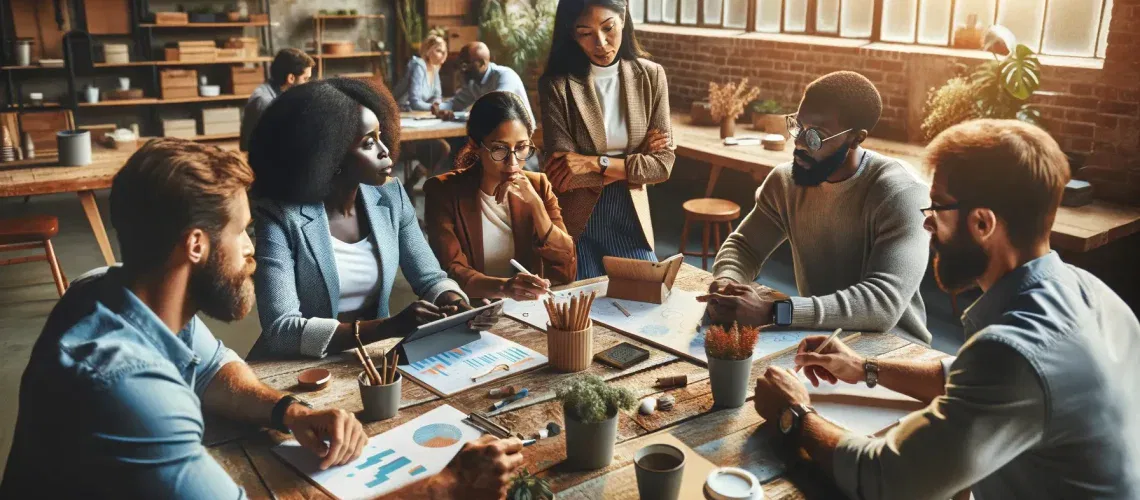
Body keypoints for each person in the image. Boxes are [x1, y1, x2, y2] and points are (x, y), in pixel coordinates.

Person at [754, 119, 1140, 499]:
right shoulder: (1092, 294)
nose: (927, 226)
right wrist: (866, 369)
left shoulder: (1017, 351)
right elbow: (973, 378)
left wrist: (795, 414)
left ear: (982, 222)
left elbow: (885, 479)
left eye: (936, 208)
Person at [0, 139, 367, 496]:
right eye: (240, 232)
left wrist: (292, 414)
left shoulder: (116, 290)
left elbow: (213, 370)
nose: (250, 249)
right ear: (195, 245)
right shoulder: (127, 390)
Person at [246, 78, 494, 360]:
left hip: (373, 358)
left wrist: (457, 304)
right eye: (368, 143)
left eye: (380, 135)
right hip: (298, 365)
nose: (384, 149)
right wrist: (387, 327)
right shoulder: (280, 217)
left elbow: (430, 278)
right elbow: (282, 330)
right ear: (330, 156)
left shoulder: (390, 196)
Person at [702, 71, 931, 344]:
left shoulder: (901, 193)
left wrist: (775, 311)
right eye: (797, 126)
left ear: (856, 139)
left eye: (816, 136)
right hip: (819, 339)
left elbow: (882, 305)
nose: (798, 143)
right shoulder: (785, 181)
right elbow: (744, 247)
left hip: (893, 351)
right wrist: (728, 283)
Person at [539, 0, 673, 279]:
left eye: (608, 28)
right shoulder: (557, 85)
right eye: (585, 33)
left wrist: (591, 162)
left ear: (623, 17)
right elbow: (564, 177)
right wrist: (631, 166)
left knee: (646, 299)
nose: (600, 43)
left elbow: (662, 166)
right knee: (582, 312)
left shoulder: (651, 76)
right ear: (571, 33)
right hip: (576, 223)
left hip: (630, 219)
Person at [424, 91, 576, 301]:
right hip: (473, 312)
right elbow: (450, 272)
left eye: (521, 148)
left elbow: (567, 270)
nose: (513, 163)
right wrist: (505, 288)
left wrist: (536, 205)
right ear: (476, 146)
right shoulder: (443, 192)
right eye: (499, 149)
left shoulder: (538, 186)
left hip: (528, 313)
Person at [393, 35, 453, 195]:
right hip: (401, 118)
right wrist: (435, 108)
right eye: (438, 51)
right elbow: (414, 102)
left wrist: (436, 105)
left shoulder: (434, 68)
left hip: (417, 118)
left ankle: (409, 185)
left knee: (442, 148)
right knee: (440, 148)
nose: (443, 55)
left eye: (444, 51)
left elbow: (438, 95)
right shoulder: (418, 65)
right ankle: (406, 188)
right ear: (428, 51)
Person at [431, 42, 531, 121]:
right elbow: (456, 103)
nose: (462, 70)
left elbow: (497, 106)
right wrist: (439, 108)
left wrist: (458, 115)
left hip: (521, 134)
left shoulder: (505, 76)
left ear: (482, 63)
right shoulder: (474, 83)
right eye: (461, 65)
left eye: (466, 65)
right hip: (496, 132)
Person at [240, 48, 314, 151]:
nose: (308, 84)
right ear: (291, 78)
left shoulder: (281, 93)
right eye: (305, 79)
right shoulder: (264, 102)